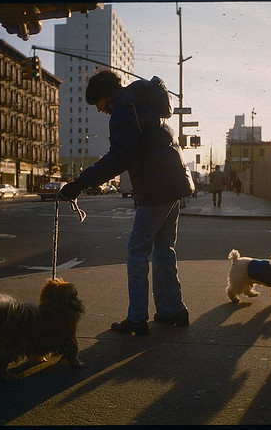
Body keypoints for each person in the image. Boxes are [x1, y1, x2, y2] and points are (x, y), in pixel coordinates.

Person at [59, 70, 195, 335]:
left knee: (137, 251)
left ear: (105, 96)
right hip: (172, 183)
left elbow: (118, 157)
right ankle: (173, 310)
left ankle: (137, 318)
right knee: (164, 248)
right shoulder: (141, 102)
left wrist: (80, 183)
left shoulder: (123, 109)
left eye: (97, 103)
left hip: (155, 187)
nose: (99, 111)